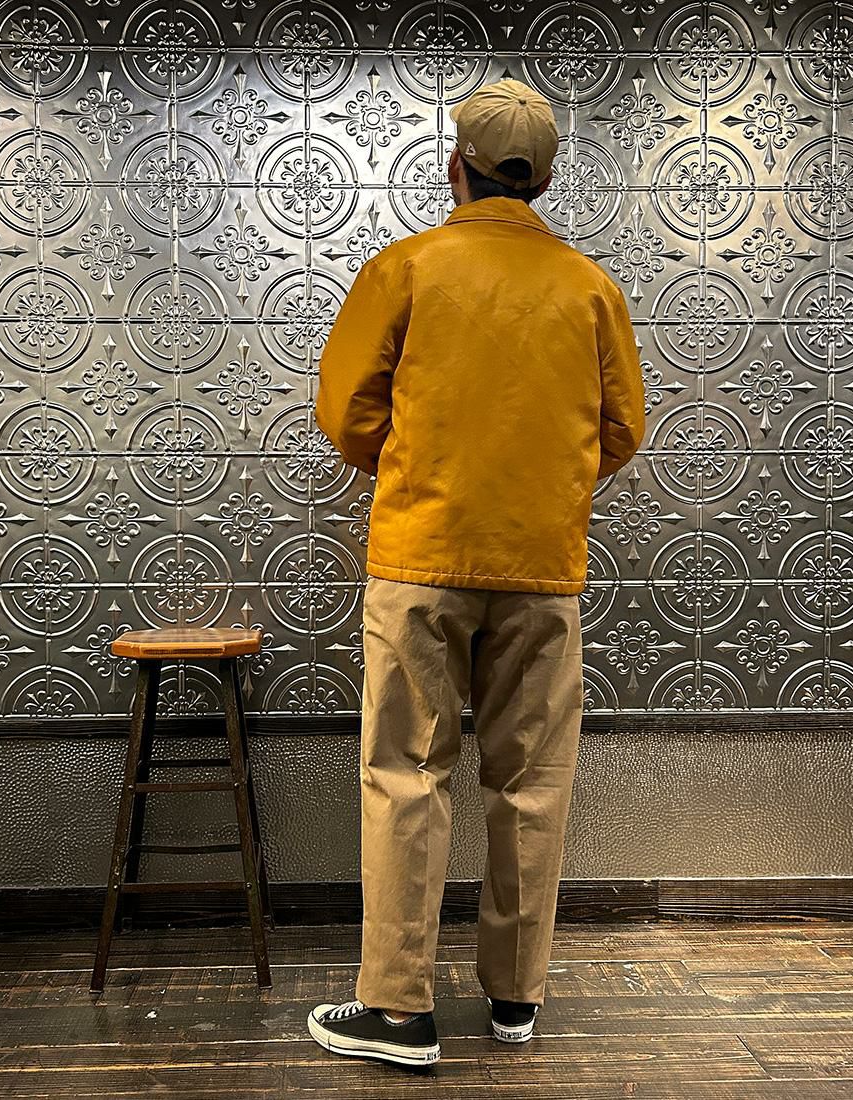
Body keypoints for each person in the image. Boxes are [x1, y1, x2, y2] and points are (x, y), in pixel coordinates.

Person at [307, 77, 645, 1069]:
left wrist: (415, 469)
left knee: (405, 774)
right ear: (545, 177)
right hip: (543, 567)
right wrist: (542, 487)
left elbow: (345, 414)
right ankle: (514, 999)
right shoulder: (590, 286)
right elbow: (622, 429)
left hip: (420, 553)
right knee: (532, 783)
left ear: (454, 165)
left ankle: (398, 1011)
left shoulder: (404, 267)